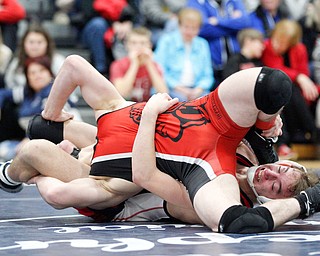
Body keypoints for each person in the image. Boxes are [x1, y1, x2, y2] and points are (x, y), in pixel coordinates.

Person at [2, 55, 320, 234]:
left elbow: (144, 174)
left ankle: (20, 173)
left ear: (270, 200)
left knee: (39, 161)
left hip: (121, 192)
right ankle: (68, 145)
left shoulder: (217, 192)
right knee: (52, 129)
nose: (269, 176)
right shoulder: (252, 152)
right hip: (125, 140)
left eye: (275, 188)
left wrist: (305, 202)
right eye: (279, 171)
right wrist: (268, 122)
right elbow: (272, 91)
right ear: (285, 162)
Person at [0, 56, 82, 161]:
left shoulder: (54, 91)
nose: (37, 75)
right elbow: (3, 93)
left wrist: (27, 140)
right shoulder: (27, 93)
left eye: (41, 71)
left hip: (63, 141)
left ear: (50, 73)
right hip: (34, 141)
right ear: (27, 77)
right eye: (32, 73)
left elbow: (47, 124)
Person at [261, 19, 319, 156]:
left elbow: (305, 74)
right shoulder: (267, 46)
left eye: (283, 42)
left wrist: (302, 78)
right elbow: (276, 71)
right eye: (277, 39)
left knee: (296, 91)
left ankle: (310, 133)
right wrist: (299, 77)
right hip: (276, 93)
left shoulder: (299, 49)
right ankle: (312, 132)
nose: (278, 44)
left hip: (297, 97)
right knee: (287, 88)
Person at [186, 0, 252, 89]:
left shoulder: (235, 1)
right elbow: (202, 28)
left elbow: (245, 22)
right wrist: (232, 23)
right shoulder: (196, 2)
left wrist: (218, 21)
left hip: (235, 63)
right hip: (213, 65)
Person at [154, 7, 214, 101]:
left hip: (196, 89)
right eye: (186, 27)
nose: (189, 32)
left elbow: (208, 74)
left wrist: (199, 89)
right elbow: (159, 70)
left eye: (194, 28)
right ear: (179, 25)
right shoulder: (167, 41)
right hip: (172, 89)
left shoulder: (202, 44)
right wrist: (179, 88)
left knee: (209, 102)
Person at [109, 27, 167, 102]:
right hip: (124, 106)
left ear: (150, 45)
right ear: (127, 45)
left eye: (143, 43)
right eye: (134, 43)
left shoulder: (154, 65)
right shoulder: (117, 65)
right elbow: (121, 92)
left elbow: (163, 92)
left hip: (146, 107)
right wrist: (134, 64)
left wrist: (149, 63)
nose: (138, 46)